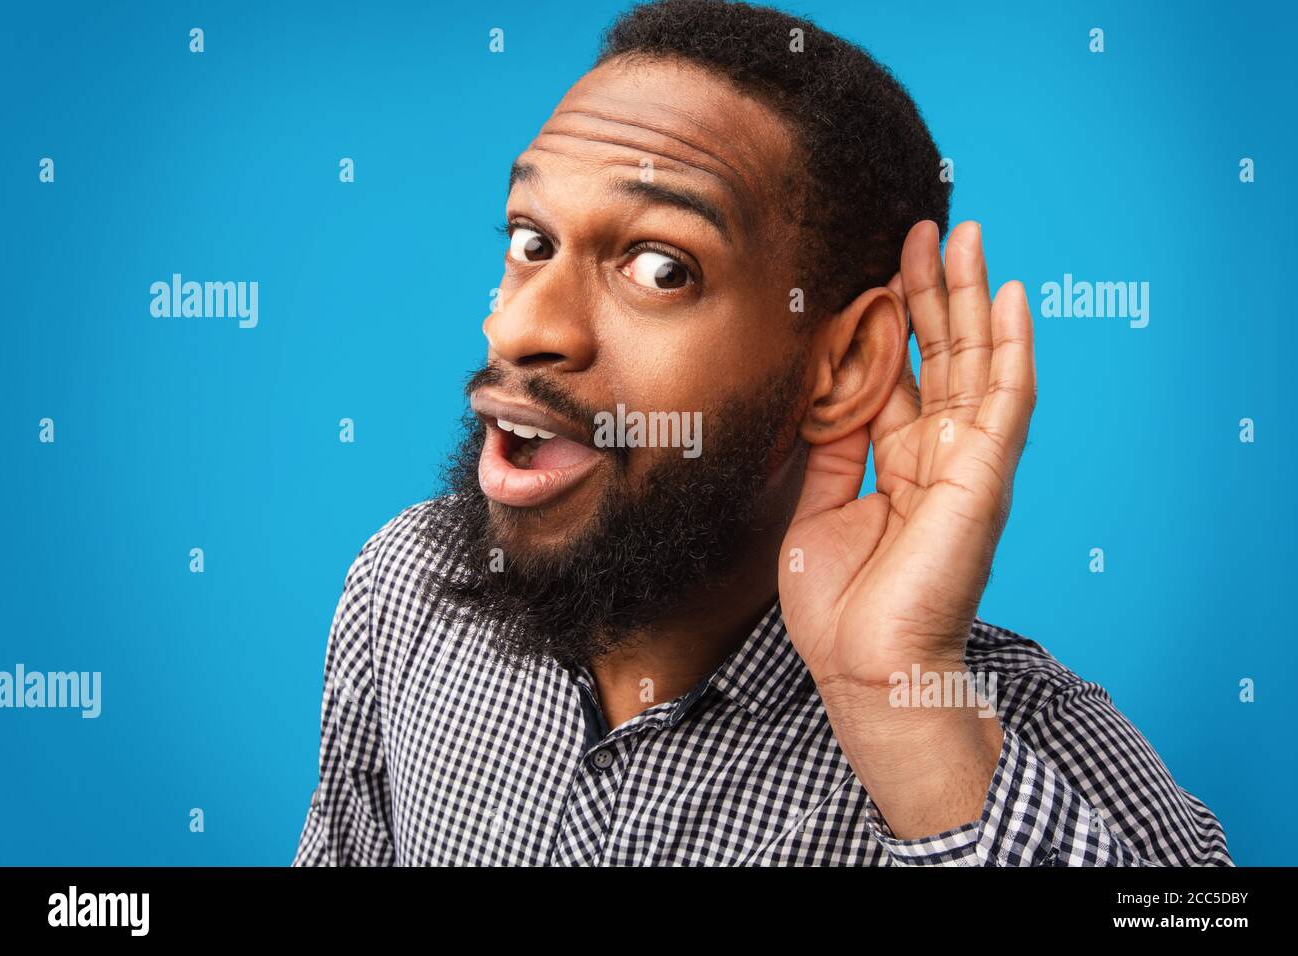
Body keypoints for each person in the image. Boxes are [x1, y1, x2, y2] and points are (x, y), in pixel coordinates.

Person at [293, 0, 1230, 866]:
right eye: (531, 241)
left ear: (847, 365)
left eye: (660, 267)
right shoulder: (405, 593)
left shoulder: (1016, 741)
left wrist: (906, 723)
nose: (520, 328)